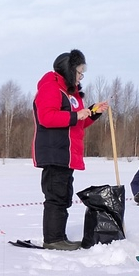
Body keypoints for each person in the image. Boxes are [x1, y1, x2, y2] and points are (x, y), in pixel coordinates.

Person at [30, 49, 109, 251]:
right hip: (55, 152)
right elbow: (47, 117)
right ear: (68, 70)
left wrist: (93, 112)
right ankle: (53, 239)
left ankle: (59, 236)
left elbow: (78, 124)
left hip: (67, 154)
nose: (81, 76)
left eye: (83, 73)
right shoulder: (51, 88)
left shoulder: (71, 94)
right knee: (56, 195)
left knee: (64, 195)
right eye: (79, 72)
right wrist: (76, 116)